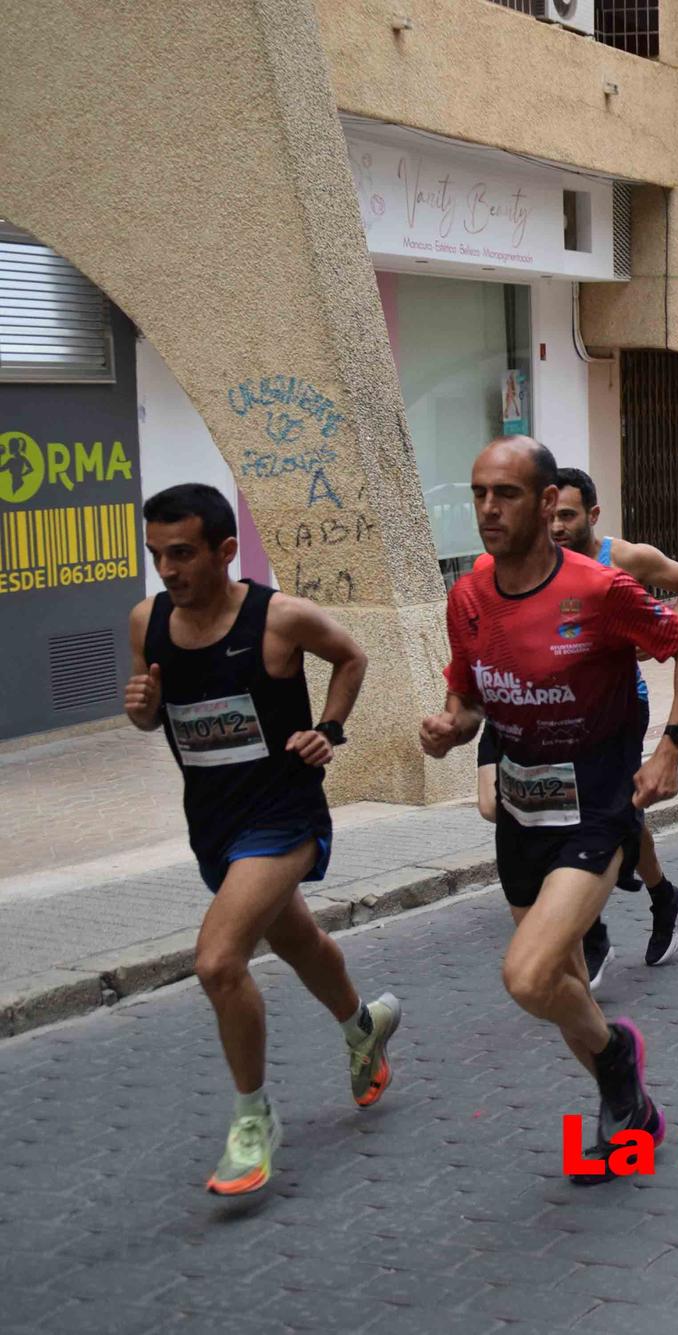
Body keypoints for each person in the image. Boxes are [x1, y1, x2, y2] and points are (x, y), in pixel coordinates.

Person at [421, 436, 678, 1184]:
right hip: (522, 807)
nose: (488, 508)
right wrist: (454, 726)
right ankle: (630, 1110)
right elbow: (471, 691)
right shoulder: (468, 596)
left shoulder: (599, 589)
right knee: (560, 982)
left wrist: (670, 749)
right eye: (479, 491)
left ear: (549, 504)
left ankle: (616, 1063)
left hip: (597, 800)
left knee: (528, 974)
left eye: (506, 493)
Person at [128, 483, 397, 1197]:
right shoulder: (146, 622)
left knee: (219, 961)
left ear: (225, 550)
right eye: (157, 555)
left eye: (182, 553)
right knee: (300, 942)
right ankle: (362, 1027)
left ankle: (253, 1119)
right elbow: (157, 718)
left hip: (284, 815)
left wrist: (330, 728)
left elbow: (352, 657)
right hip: (213, 823)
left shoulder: (279, 618)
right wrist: (145, 712)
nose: (169, 571)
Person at [475, 467, 678, 979]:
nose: (555, 526)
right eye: (548, 515)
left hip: (617, 707)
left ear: (592, 515)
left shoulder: (622, 560)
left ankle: (590, 932)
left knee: (597, 811)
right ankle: (661, 895)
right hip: (538, 712)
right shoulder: (517, 567)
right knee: (587, 811)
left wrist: (654, 641)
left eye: (567, 516)